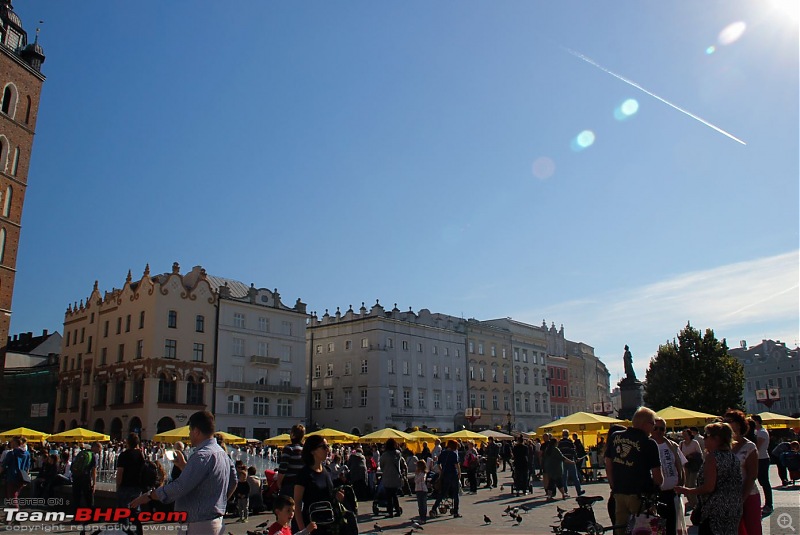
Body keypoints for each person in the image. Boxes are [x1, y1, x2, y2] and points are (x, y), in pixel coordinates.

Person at [130, 411, 237, 535]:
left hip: (197, 524)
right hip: (215, 521)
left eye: (190, 431)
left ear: (196, 431)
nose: (190, 435)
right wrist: (218, 502)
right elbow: (234, 480)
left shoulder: (201, 455)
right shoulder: (222, 453)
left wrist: (150, 495)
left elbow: (180, 487)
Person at [675, 423, 742, 535]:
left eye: (706, 436)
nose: (704, 439)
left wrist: (688, 490)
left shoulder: (713, 457)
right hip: (733, 507)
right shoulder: (733, 457)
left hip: (715, 510)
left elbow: (708, 487)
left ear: (717, 439)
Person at [605, 407, 663, 535]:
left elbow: (608, 463)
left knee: (620, 529)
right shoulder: (649, 443)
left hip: (619, 492)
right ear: (645, 424)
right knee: (642, 529)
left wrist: (613, 485)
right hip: (640, 495)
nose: (653, 428)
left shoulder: (615, 436)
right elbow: (658, 476)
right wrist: (657, 483)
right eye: (653, 424)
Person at [293, 435, 347, 535]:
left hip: (329, 524)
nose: (328, 449)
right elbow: (297, 503)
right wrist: (304, 530)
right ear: (313, 451)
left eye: (328, 446)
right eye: (324, 447)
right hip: (311, 526)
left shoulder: (327, 471)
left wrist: (338, 497)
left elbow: (329, 496)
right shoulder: (304, 474)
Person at [723, 410, 760, 535]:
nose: (726, 424)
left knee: (751, 530)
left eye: (729, 421)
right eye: (724, 421)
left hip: (748, 495)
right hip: (728, 496)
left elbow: (752, 476)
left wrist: (741, 499)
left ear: (739, 424)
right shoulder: (723, 447)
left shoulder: (749, 447)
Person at [651, 417, 687, 535]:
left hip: (671, 493)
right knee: (658, 529)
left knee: (671, 527)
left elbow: (680, 466)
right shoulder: (647, 445)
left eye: (662, 428)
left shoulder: (672, 445)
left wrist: (682, 484)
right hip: (655, 495)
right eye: (655, 428)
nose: (658, 431)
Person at [429, 440, 462, 518]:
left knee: (442, 493)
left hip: (445, 475)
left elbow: (438, 464)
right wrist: (459, 473)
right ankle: (456, 512)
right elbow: (456, 465)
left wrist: (441, 471)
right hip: (453, 475)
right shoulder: (454, 454)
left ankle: (434, 508)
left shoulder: (443, 453)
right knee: (455, 494)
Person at [0, 436, 31, 516]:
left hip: (12, 477)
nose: (10, 443)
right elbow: (28, 467)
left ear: (16, 443)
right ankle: (10, 516)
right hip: (21, 478)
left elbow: (3, 466)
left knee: (12, 497)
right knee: (13, 496)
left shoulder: (11, 453)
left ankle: (17, 516)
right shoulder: (27, 454)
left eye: (12, 441)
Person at [116, 433, 146, 512]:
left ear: (127, 442)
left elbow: (120, 472)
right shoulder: (141, 455)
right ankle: (135, 523)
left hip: (125, 486)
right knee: (135, 511)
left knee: (123, 511)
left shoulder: (124, 455)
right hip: (137, 486)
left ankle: (124, 524)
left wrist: (118, 486)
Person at [751, 415, 772, 516]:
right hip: (759, 459)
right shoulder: (757, 432)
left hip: (762, 458)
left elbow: (757, 447)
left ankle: (769, 504)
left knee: (764, 481)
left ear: (758, 422)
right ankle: (767, 503)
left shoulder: (762, 432)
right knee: (762, 481)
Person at [379, 438, 406, 518]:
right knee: (394, 495)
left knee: (389, 496)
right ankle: (397, 510)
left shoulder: (384, 455)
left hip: (387, 477)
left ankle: (390, 512)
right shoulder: (398, 453)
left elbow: (381, 466)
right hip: (396, 477)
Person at [277, 424, 305, 498]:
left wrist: (279, 483)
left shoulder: (289, 448)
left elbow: (283, 468)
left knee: (287, 507)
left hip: (290, 485)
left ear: (293, 435)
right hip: (302, 484)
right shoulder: (305, 449)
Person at [72, 442, 101, 512]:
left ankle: (76, 517)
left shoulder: (82, 452)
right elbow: (94, 471)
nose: (100, 451)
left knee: (76, 498)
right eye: (99, 449)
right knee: (89, 498)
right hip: (85, 478)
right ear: (95, 447)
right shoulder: (93, 455)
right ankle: (91, 517)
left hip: (76, 478)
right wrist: (94, 483)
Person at [679, 428, 703, 512]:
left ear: (690, 435)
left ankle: (695, 504)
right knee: (686, 485)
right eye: (683, 435)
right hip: (686, 466)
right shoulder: (681, 444)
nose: (684, 437)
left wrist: (691, 456)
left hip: (694, 466)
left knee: (691, 484)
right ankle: (692, 503)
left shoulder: (695, 443)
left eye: (686, 435)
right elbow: (679, 454)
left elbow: (700, 454)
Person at [558, 430, 584, 497]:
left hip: (563, 460)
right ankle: (579, 491)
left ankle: (565, 492)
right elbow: (573, 451)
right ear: (568, 435)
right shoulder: (570, 442)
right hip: (570, 460)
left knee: (564, 477)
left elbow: (559, 451)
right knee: (575, 476)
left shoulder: (560, 442)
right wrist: (576, 458)